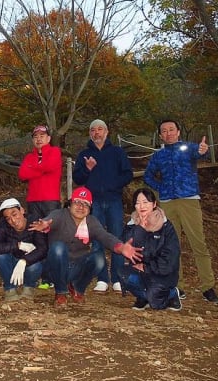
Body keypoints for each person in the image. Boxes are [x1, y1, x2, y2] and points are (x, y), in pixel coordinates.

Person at [144, 119, 218, 304]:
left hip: (189, 200)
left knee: (198, 243)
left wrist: (203, 150)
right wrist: (160, 188)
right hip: (167, 203)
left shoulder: (188, 148)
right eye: (164, 131)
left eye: (171, 129)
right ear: (160, 135)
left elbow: (200, 152)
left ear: (178, 132)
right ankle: (177, 286)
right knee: (171, 246)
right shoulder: (158, 156)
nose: (168, 133)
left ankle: (208, 286)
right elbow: (148, 175)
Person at [29, 186, 142, 306]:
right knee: (58, 248)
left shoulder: (91, 222)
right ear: (69, 204)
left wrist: (122, 247)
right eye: (77, 202)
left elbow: (105, 237)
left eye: (85, 204)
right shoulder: (60, 215)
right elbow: (50, 221)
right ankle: (61, 292)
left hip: (77, 268)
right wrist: (45, 225)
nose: (81, 207)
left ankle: (78, 288)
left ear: (89, 209)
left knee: (99, 259)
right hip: (56, 268)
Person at [73, 119, 133, 294]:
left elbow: (128, 174)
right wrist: (87, 169)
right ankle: (102, 278)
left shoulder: (117, 152)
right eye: (93, 130)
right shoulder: (84, 154)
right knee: (97, 239)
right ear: (90, 134)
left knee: (117, 238)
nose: (96, 133)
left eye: (100, 129)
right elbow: (78, 179)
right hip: (93, 203)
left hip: (114, 200)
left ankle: (118, 278)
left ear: (106, 132)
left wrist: (113, 184)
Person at [119, 188, 182, 311]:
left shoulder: (166, 226)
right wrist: (140, 228)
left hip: (161, 273)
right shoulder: (133, 223)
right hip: (140, 271)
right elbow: (126, 245)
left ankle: (172, 294)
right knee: (123, 274)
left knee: (155, 301)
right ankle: (143, 297)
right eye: (138, 203)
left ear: (154, 204)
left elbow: (170, 258)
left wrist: (147, 267)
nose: (141, 206)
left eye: (146, 202)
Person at [18, 125, 61, 290]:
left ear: (48, 138)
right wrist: (39, 169)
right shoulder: (29, 156)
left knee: (52, 239)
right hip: (33, 201)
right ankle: (39, 275)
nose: (39, 138)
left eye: (42, 135)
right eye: (36, 136)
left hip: (51, 201)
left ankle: (51, 277)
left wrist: (34, 168)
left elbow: (49, 167)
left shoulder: (55, 152)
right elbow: (22, 174)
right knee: (37, 239)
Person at [0, 198, 47, 301]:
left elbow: (42, 249)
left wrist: (24, 260)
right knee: (0, 256)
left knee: (36, 266)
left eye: (14, 214)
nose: (12, 220)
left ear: (22, 210)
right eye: (8, 218)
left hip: (30, 263)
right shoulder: (3, 226)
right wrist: (18, 245)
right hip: (12, 260)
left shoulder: (34, 222)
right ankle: (10, 288)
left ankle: (29, 286)